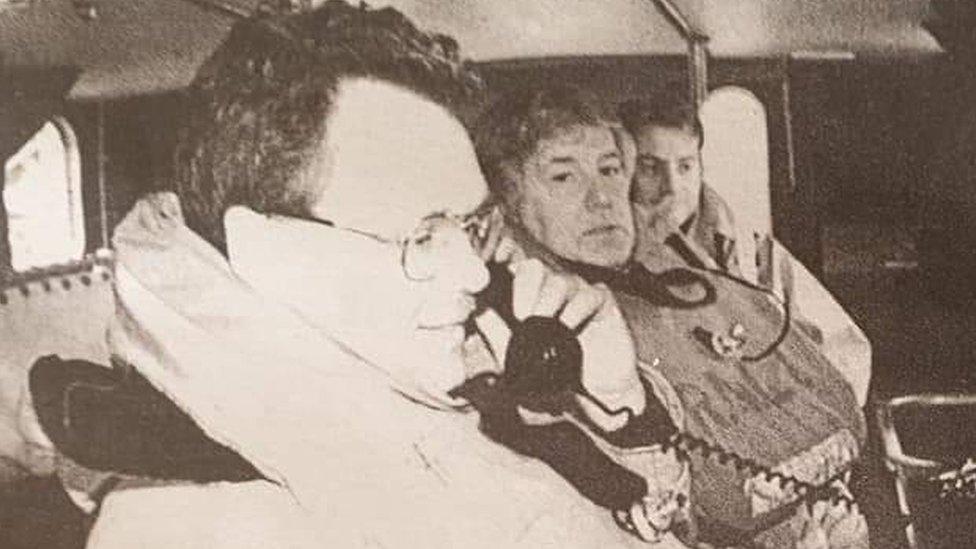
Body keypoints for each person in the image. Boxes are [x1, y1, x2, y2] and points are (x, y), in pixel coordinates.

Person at [8, 3, 695, 548]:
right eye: (421, 233)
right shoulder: (201, 526)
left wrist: (618, 410)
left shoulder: (429, 401)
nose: (471, 269)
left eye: (471, 226)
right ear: (264, 249)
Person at [473, 85, 870, 548]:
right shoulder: (522, 338)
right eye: (564, 178)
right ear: (509, 203)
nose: (601, 198)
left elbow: (827, 400)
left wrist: (828, 505)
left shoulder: (691, 266)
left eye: (609, 169)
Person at [618, 94, 871, 409]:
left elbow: (843, 344)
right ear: (623, 172)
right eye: (650, 168)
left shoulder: (750, 250)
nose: (672, 186)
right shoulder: (610, 263)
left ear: (700, 166)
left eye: (685, 166)